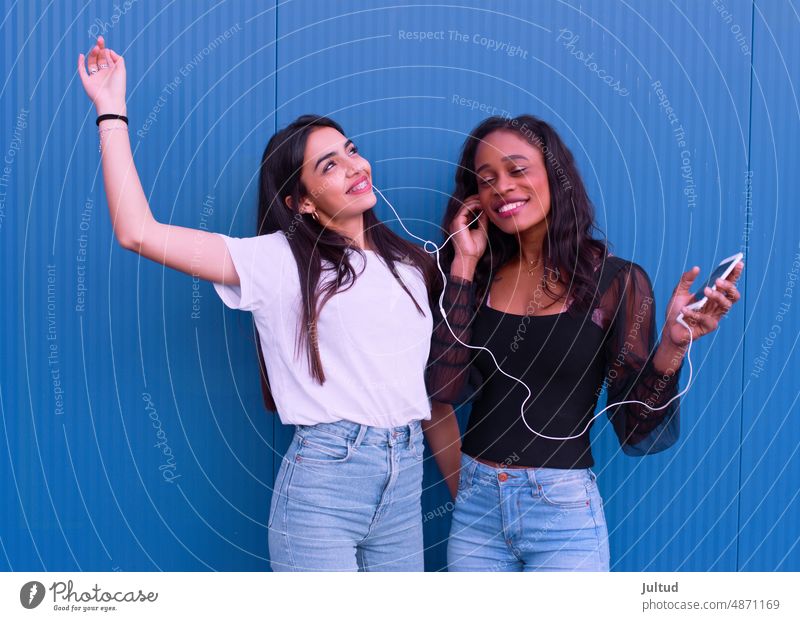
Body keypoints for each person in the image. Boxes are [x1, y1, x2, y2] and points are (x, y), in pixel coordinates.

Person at [78, 36, 440, 571]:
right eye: (329, 166)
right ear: (302, 203)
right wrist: (112, 110)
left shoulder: (409, 263)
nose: (353, 166)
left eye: (351, 151)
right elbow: (137, 232)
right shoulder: (278, 262)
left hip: (406, 479)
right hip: (327, 483)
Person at [423, 114, 743, 571]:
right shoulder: (477, 277)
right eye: (487, 179)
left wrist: (673, 346)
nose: (501, 188)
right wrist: (463, 264)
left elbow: (634, 428)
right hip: (476, 513)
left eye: (517, 170)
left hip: (562, 513)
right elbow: (440, 392)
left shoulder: (615, 282)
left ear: (554, 177)